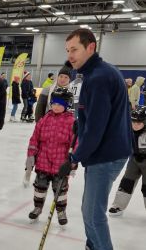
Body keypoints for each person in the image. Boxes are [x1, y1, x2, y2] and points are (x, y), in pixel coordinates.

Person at [65, 28, 132, 250]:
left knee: (93, 215)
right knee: (88, 210)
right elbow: (92, 116)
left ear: (91, 47)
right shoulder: (94, 73)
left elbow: (96, 128)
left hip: (106, 153)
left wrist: (75, 157)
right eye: (67, 50)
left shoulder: (99, 77)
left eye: (74, 49)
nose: (70, 55)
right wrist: (80, 122)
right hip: (105, 151)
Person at [24, 87, 75, 225]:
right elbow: (35, 138)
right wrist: (31, 156)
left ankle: (60, 211)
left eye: (60, 104)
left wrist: (73, 162)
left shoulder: (71, 122)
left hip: (61, 164)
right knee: (39, 188)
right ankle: (37, 208)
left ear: (67, 105)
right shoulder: (44, 119)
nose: (56, 107)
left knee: (61, 190)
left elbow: (75, 143)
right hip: (43, 161)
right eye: (54, 103)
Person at [109, 106, 146, 216]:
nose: (135, 125)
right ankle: (118, 206)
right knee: (126, 183)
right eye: (133, 122)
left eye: (139, 123)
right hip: (134, 160)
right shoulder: (128, 131)